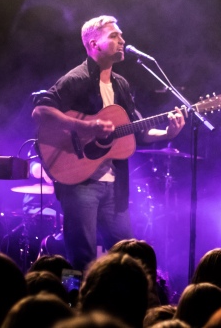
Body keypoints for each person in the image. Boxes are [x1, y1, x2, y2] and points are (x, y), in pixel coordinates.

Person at [32, 15, 185, 272]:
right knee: (79, 260)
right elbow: (40, 111)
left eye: (121, 35)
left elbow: (136, 131)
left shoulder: (121, 85)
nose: (122, 40)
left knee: (127, 259)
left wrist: (168, 133)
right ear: (94, 44)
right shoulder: (76, 78)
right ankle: (72, 304)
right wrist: (86, 126)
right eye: (114, 36)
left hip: (115, 187)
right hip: (80, 182)